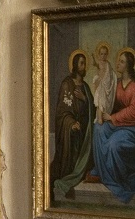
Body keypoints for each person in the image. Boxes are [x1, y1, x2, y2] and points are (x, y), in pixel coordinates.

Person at [91, 49, 135, 206]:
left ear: (129, 66)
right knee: (98, 128)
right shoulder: (116, 83)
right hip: (116, 124)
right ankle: (101, 168)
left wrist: (112, 117)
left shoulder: (134, 86)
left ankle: (115, 180)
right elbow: (108, 98)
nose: (118, 63)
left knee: (113, 144)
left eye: (122, 61)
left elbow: (133, 111)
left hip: (130, 128)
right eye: (118, 60)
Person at [51, 52, 94, 200]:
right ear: (75, 65)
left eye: (85, 63)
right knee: (73, 136)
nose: (83, 66)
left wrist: (85, 100)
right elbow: (62, 112)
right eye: (81, 63)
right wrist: (71, 123)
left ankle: (78, 176)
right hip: (70, 130)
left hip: (84, 131)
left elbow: (92, 111)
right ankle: (67, 180)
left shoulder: (86, 88)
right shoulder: (66, 84)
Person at [91, 42, 116, 123]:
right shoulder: (99, 62)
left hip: (107, 85)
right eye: (101, 54)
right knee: (100, 103)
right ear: (99, 54)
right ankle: (99, 118)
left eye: (105, 54)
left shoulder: (108, 63)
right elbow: (94, 64)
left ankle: (103, 117)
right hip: (101, 85)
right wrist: (93, 58)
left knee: (104, 103)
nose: (103, 56)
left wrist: (111, 80)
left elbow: (111, 74)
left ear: (107, 54)